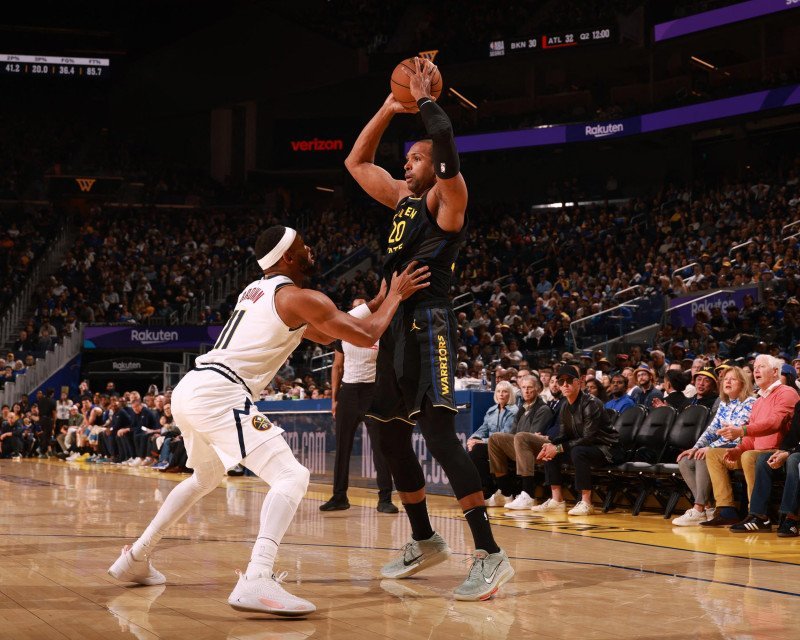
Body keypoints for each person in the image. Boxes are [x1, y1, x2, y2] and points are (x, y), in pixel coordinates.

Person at [108, 225, 430, 616]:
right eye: (302, 245)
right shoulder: (296, 296)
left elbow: (327, 335)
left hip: (191, 387)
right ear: (287, 258)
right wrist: (395, 296)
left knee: (205, 478)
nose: (310, 248)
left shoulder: (257, 291)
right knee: (292, 477)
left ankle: (136, 556)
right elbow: (363, 336)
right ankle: (257, 576)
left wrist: (378, 299)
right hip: (219, 392)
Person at [346, 57, 513, 600]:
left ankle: (490, 554)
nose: (409, 163)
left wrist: (423, 102)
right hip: (396, 325)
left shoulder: (448, 198)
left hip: (430, 325)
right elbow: (356, 161)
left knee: (438, 435)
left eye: (415, 157)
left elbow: (446, 149)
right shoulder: (401, 200)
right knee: (387, 432)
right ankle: (425, 539)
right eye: (408, 158)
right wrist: (390, 107)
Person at [319, 298, 398, 514]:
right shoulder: (342, 334)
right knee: (342, 446)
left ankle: (385, 498)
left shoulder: (379, 331)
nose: (359, 309)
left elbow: (389, 366)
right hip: (349, 392)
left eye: (363, 305)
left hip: (373, 391)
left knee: (380, 447)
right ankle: (339, 496)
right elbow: (337, 366)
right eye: (355, 306)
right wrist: (334, 399)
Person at [701, 355, 797, 527]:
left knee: (749, 456)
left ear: (775, 371)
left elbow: (774, 423)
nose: (756, 370)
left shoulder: (787, 393)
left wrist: (742, 430)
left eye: (762, 367)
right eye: (755, 367)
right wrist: (739, 448)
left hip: (776, 452)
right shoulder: (759, 401)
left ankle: (757, 514)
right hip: (756, 451)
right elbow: (751, 437)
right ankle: (726, 509)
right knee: (714, 455)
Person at [671, 367, 755, 526]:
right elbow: (712, 430)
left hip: (740, 448)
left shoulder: (750, 402)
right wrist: (696, 447)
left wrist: (709, 448)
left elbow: (735, 433)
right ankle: (708, 508)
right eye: (726, 379)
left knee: (706, 455)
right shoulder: (725, 403)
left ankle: (698, 508)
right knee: (686, 460)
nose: (727, 381)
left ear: (743, 383)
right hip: (721, 448)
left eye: (733, 379)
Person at [534, 365, 623, 516]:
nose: (565, 385)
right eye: (561, 382)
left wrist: (558, 448)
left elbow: (588, 438)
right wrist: (551, 446)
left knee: (577, 451)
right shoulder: (564, 406)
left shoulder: (591, 403)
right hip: (586, 447)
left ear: (579, 383)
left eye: (569, 381)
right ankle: (557, 501)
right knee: (553, 450)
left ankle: (587, 503)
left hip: (607, 448)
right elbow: (563, 434)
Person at [486, 374, 556, 509]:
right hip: (521, 447)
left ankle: (528, 494)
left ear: (538, 390)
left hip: (539, 451)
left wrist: (521, 436)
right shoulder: (522, 408)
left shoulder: (543, 409)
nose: (526, 391)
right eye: (523, 388)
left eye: (530, 387)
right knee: (495, 438)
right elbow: (512, 433)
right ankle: (505, 492)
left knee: (521, 437)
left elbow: (533, 436)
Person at [466, 381, 518, 499]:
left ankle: (489, 488)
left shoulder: (514, 412)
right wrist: (473, 439)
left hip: (507, 445)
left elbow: (505, 435)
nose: (501, 394)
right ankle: (486, 487)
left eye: (505, 392)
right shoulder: (492, 410)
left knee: (478, 450)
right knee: (474, 450)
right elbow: (483, 429)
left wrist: (482, 441)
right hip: (490, 444)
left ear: (510, 394)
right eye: (498, 391)